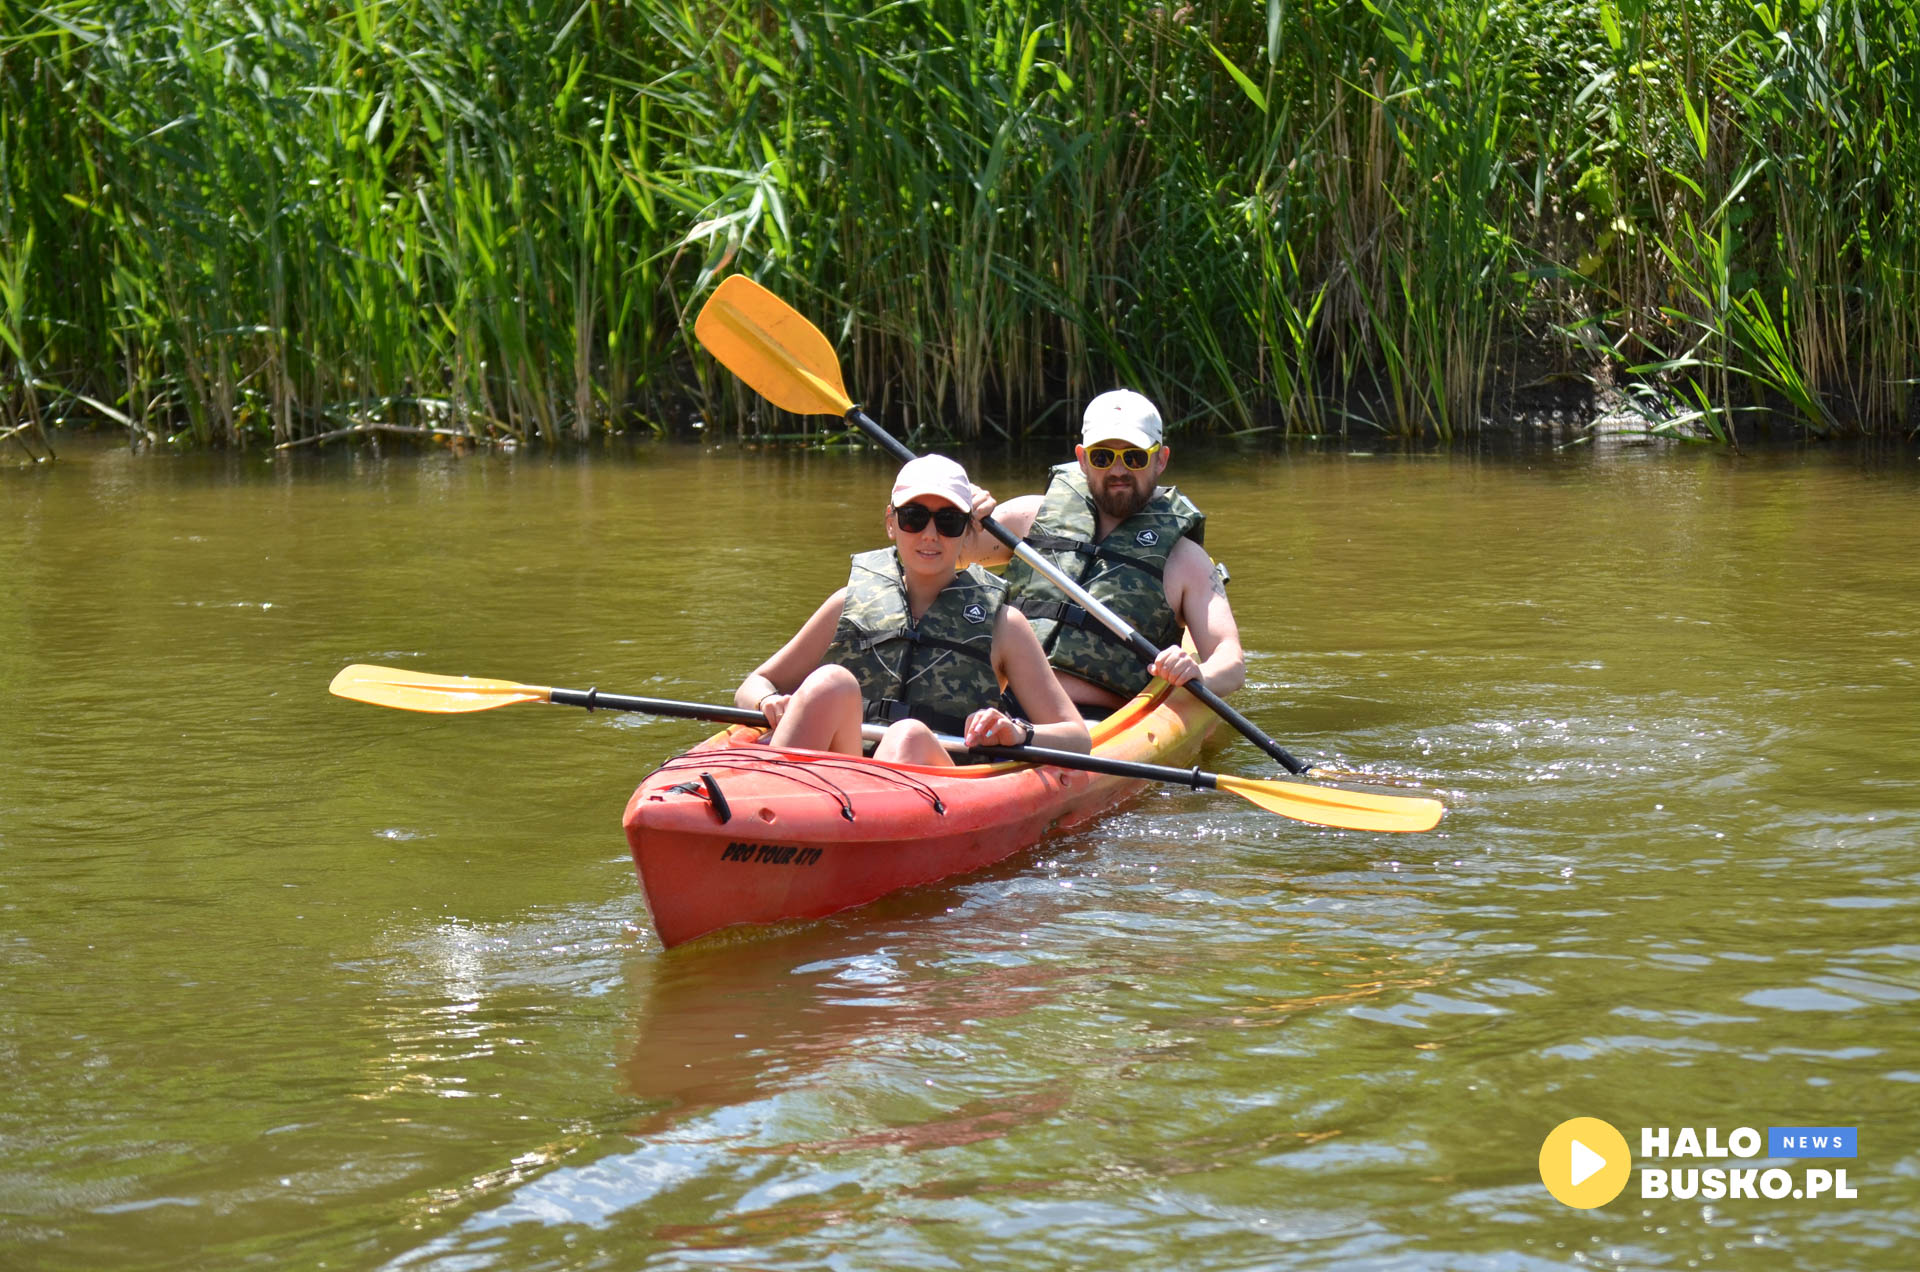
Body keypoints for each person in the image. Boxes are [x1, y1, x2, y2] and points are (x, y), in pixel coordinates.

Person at [734, 455, 1091, 766]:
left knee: (907, 736)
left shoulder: (1004, 625)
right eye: (914, 518)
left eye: (948, 520)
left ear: (968, 532)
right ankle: (768, 810)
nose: (930, 535)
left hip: (937, 780)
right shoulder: (847, 604)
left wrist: (1016, 732)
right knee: (831, 682)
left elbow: (1077, 737)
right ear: (891, 522)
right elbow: (754, 684)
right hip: (844, 773)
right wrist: (768, 701)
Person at [967, 389, 1245, 714]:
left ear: (1161, 460)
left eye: (1134, 457)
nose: (1118, 471)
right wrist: (955, 513)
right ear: (1083, 459)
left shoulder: (1185, 560)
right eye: (1102, 457)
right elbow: (935, 558)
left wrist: (1200, 675)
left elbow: (1231, 660)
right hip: (999, 707)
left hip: (1102, 724)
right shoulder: (1027, 519)